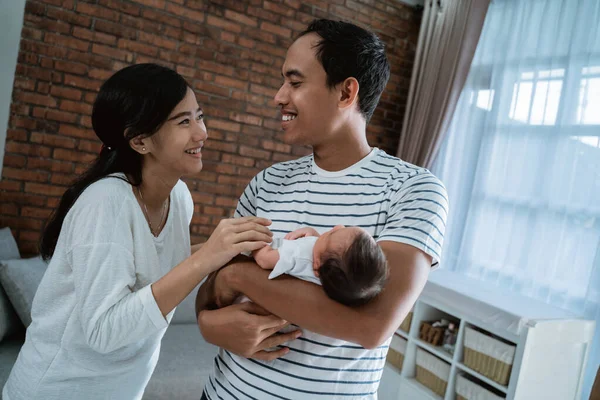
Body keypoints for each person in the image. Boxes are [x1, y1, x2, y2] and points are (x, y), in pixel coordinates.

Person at [196, 19, 449, 400]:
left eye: (295, 83)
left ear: (346, 92)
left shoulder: (412, 190)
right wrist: (208, 324)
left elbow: (371, 326)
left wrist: (239, 278)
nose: (279, 97)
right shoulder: (267, 182)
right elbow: (208, 293)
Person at [1, 63, 283, 400]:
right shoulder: (105, 203)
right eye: (184, 122)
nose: (201, 132)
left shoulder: (178, 197)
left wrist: (227, 249)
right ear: (140, 141)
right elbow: (103, 331)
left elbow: (158, 265)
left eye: (199, 116)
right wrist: (206, 256)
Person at [252, 225, 388, 307]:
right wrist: (314, 235)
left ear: (316, 266)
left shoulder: (298, 254)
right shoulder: (333, 280)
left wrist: (255, 239)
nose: (338, 226)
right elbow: (318, 254)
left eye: (331, 234)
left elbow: (264, 259)